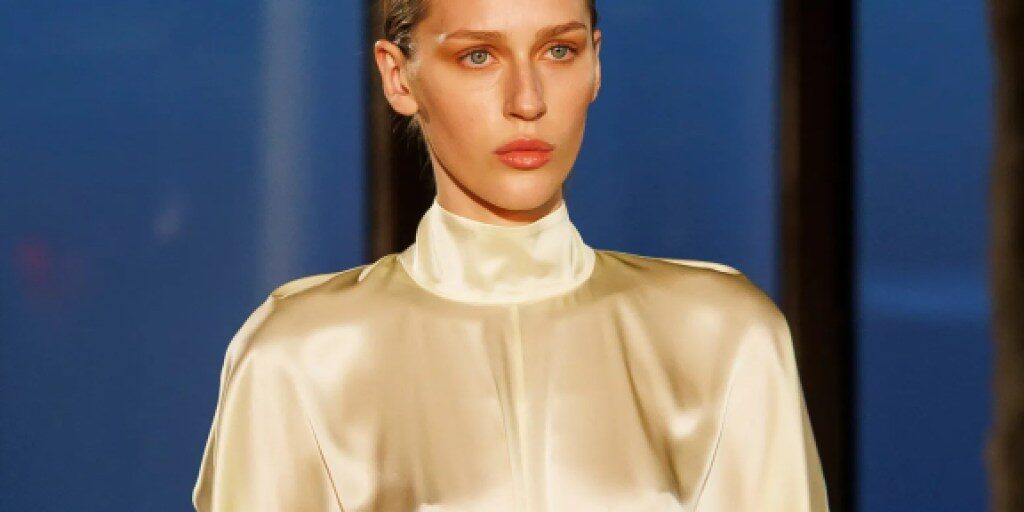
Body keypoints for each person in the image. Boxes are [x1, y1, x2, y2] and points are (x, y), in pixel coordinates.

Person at [191, 0, 830, 510]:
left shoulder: (722, 335)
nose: (528, 100)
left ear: (596, 65)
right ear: (398, 76)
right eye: (478, 55)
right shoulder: (299, 356)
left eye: (559, 51)